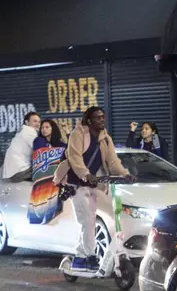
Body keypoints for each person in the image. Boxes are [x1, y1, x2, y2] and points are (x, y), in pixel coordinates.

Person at [53, 106, 135, 272]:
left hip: (94, 184)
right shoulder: (78, 134)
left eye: (103, 117)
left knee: (101, 217)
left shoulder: (105, 138)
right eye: (98, 117)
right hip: (76, 184)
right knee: (87, 220)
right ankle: (88, 257)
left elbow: (113, 161)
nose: (102, 120)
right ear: (89, 120)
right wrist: (85, 174)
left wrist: (125, 174)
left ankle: (83, 255)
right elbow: (74, 157)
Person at [3, 111, 41, 181]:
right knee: (48, 169)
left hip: (14, 172)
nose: (38, 124)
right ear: (27, 122)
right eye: (35, 121)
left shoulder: (22, 130)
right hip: (21, 172)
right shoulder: (29, 131)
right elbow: (40, 149)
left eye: (39, 122)